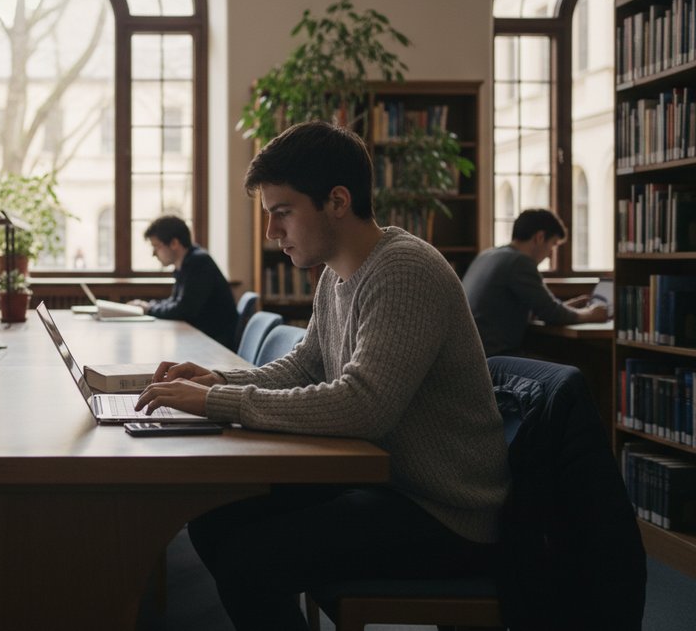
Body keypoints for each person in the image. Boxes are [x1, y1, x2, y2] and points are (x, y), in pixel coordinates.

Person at [134, 121, 510, 630]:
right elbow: (305, 365)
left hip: (443, 511)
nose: (272, 232)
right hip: (387, 480)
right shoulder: (336, 274)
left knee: (250, 561)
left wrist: (220, 404)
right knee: (214, 514)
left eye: (282, 213)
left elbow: (364, 405)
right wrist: (218, 383)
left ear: (337, 201)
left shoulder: (403, 270)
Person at [461, 208, 609, 357]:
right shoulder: (519, 262)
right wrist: (591, 314)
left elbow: (539, 310)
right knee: (582, 362)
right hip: (495, 357)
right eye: (553, 244)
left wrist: (567, 307)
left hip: (473, 355)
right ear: (539, 237)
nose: (551, 254)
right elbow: (552, 314)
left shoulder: (487, 255)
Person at [127, 215, 238, 349]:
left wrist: (148, 309)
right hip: (201, 339)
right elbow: (175, 302)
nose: (153, 253)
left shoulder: (198, 262)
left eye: (156, 246)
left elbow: (183, 310)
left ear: (174, 243)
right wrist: (148, 305)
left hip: (215, 345)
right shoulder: (185, 264)